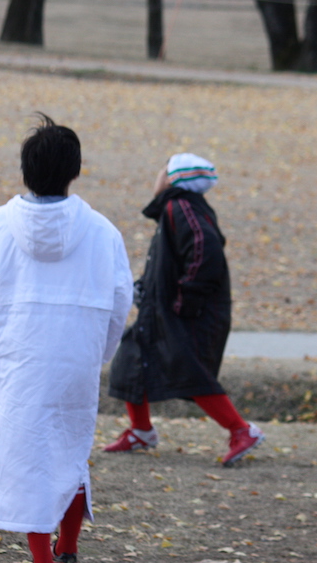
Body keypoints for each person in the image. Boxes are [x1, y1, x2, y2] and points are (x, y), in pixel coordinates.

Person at [0, 115, 132, 563]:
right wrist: (99, 351)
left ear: (26, 170)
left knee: (27, 458)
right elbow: (120, 299)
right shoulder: (102, 231)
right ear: (74, 171)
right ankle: (68, 552)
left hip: (19, 354)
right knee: (68, 452)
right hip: (75, 357)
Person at [105, 153, 264, 466]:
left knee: (189, 371)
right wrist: (145, 287)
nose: (157, 177)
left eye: (162, 171)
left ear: (173, 178)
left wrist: (183, 300)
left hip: (184, 312)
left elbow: (205, 252)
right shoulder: (177, 208)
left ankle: (242, 430)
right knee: (131, 359)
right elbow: (171, 260)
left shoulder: (180, 207)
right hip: (160, 308)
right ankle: (141, 431)